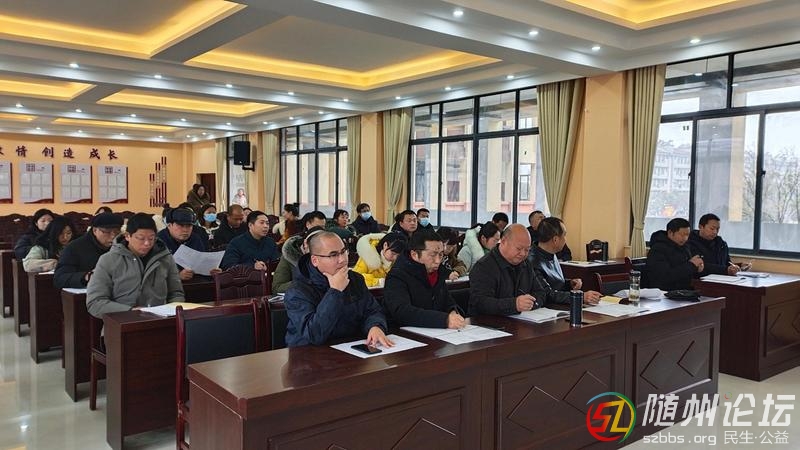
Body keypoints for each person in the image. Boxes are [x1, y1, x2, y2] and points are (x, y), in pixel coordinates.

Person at [284, 231, 392, 347]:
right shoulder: (297, 291)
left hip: (349, 347)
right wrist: (335, 291)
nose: (342, 259)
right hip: (308, 352)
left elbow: (372, 310)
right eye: (333, 255)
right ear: (315, 260)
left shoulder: (354, 279)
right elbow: (314, 334)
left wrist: (375, 326)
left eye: (343, 251)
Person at [86, 213, 184, 318]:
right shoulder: (108, 260)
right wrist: (130, 311)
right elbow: (95, 302)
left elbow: (176, 293)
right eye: (141, 238)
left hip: (159, 321)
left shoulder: (165, 258)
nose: (147, 243)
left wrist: (173, 314)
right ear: (127, 236)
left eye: (151, 238)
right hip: (121, 322)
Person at [470, 224, 568, 315]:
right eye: (519, 249)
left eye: (527, 250)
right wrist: (514, 304)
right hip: (487, 323)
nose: (523, 254)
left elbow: (541, 293)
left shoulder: (525, 263)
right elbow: (480, 303)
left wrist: (530, 303)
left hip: (521, 319)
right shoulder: (484, 267)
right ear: (503, 241)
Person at [382, 231, 466, 329]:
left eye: (441, 255)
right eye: (433, 255)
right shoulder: (397, 276)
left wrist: (453, 312)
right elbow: (402, 312)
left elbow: (448, 301)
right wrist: (444, 320)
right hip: (404, 332)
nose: (438, 261)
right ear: (414, 254)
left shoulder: (438, 273)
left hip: (435, 332)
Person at [529, 217, 601, 304]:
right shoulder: (532, 261)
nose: (565, 239)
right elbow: (547, 294)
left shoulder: (551, 253)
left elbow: (553, 283)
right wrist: (580, 297)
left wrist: (569, 283)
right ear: (555, 240)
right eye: (564, 235)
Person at [54, 212, 123, 289]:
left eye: (116, 232)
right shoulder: (74, 248)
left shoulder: (122, 245)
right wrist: (86, 276)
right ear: (95, 230)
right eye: (107, 232)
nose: (113, 236)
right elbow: (59, 279)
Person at [273, 212, 327, 294]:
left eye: (323, 227)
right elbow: (277, 287)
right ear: (305, 245)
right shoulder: (290, 254)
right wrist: (305, 283)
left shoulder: (327, 254)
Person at [646, 217, 704, 290]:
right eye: (682, 235)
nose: (685, 238)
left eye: (687, 235)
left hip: (684, 289)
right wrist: (691, 265)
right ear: (670, 233)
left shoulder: (685, 247)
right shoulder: (658, 250)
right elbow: (664, 277)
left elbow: (687, 271)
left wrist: (697, 269)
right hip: (666, 291)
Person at [157, 208, 208, 281]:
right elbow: (154, 272)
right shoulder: (159, 241)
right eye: (180, 225)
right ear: (169, 225)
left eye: (189, 226)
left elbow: (202, 262)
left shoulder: (195, 239)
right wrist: (177, 275)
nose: (185, 230)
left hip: (195, 282)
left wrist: (210, 271)